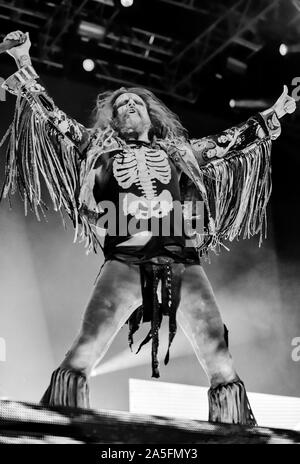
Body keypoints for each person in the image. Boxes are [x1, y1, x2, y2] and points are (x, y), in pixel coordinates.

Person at [1, 30, 296, 425]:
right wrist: (24, 63)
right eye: (120, 104)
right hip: (124, 260)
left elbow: (233, 140)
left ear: (148, 113)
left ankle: (234, 435)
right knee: (85, 349)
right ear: (114, 118)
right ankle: (63, 429)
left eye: (135, 102)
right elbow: (52, 117)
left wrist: (275, 112)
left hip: (180, 260)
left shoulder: (181, 152)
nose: (127, 106)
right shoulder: (97, 147)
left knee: (219, 355)